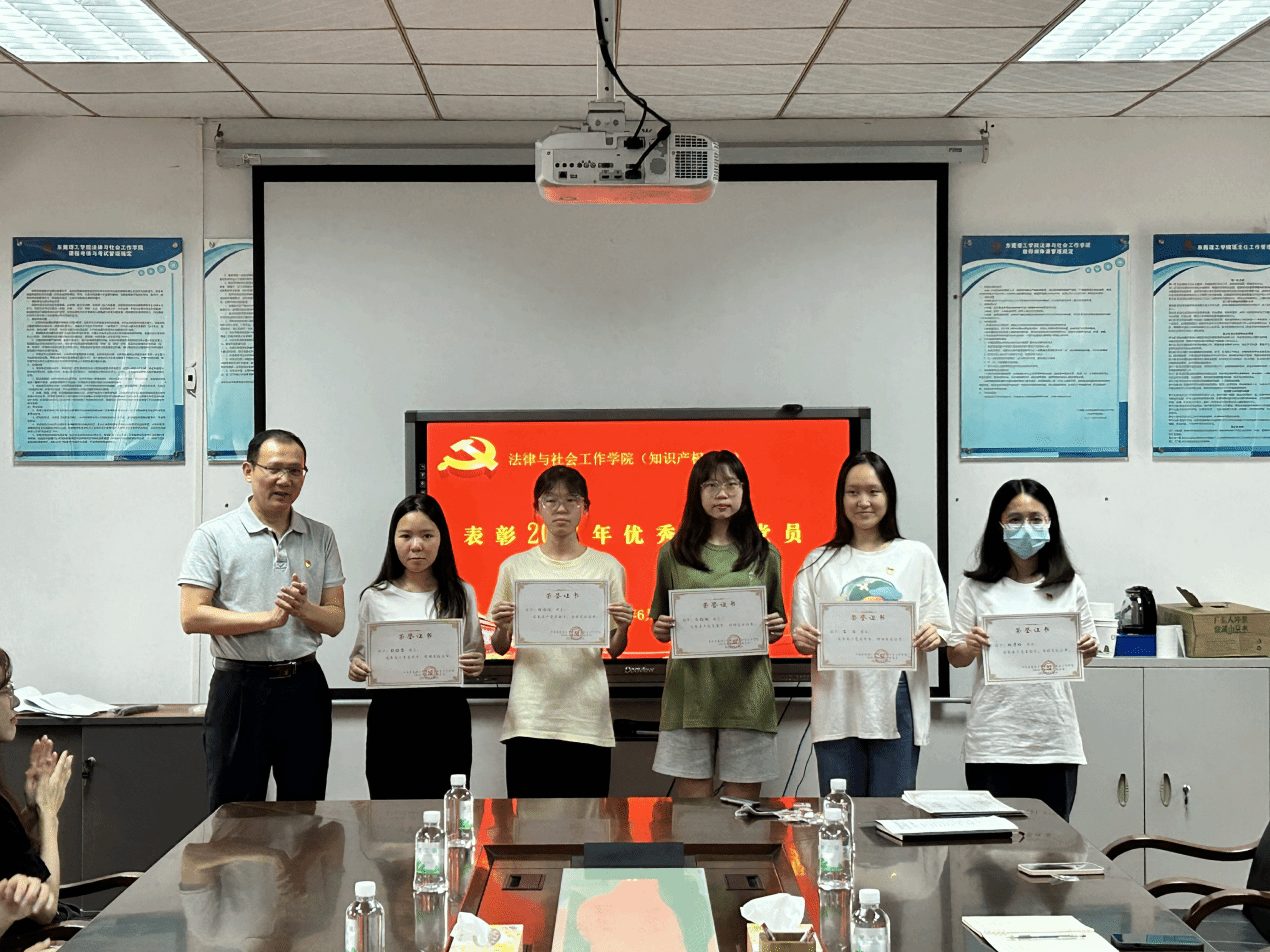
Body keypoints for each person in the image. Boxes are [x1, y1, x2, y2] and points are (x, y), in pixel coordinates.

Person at [179, 429, 346, 812]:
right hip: (240, 688)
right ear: (248, 471)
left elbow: (335, 620)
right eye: (274, 469)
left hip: (304, 686)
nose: (285, 480)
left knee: (303, 808)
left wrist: (304, 610)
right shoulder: (214, 535)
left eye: (295, 471)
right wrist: (268, 619)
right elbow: (192, 615)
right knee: (234, 812)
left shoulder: (321, 536)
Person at [790, 451, 951, 797]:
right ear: (841, 498)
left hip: (896, 698)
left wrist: (933, 635)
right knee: (841, 811)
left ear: (888, 497)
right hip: (836, 703)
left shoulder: (916, 555)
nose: (863, 501)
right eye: (853, 492)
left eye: (873, 492)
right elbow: (802, 635)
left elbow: (940, 625)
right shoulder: (817, 562)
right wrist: (802, 640)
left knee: (891, 813)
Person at [946, 479, 1098, 821]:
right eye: (1015, 519)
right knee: (995, 846)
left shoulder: (1069, 585)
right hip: (993, 742)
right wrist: (969, 646)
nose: (1025, 528)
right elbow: (955, 657)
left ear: (1050, 523)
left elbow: (1086, 652)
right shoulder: (974, 587)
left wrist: (1088, 648)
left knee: (1052, 845)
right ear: (998, 525)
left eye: (1035, 519)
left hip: (1054, 742)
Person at [488, 466, 634, 798]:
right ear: (536, 509)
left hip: (587, 717)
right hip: (530, 717)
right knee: (528, 823)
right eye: (550, 500)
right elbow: (499, 646)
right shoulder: (514, 566)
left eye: (572, 500)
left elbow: (614, 649)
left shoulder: (607, 567)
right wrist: (503, 626)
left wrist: (623, 627)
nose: (561, 509)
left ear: (585, 508)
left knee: (587, 822)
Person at [650, 450, 787, 799]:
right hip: (689, 696)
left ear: (744, 491)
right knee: (694, 816)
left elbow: (777, 620)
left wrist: (775, 628)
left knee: (741, 816)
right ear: (696, 493)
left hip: (747, 697)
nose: (721, 494)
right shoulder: (672, 553)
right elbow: (658, 622)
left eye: (731, 484)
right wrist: (661, 629)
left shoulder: (766, 554)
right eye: (710, 485)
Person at [347, 494, 485, 798]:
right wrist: (357, 667)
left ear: (441, 539)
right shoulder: (375, 596)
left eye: (427, 535)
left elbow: (474, 652)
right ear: (393, 540)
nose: (416, 545)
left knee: (448, 805)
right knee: (389, 810)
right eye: (406, 536)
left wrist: (476, 663)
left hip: (446, 716)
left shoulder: (462, 593)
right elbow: (360, 658)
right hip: (391, 718)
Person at [0, 649, 73, 944]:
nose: (14, 702)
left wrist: (30, 811)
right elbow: (46, 908)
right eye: (6, 690)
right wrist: (48, 814)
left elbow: (8, 854)